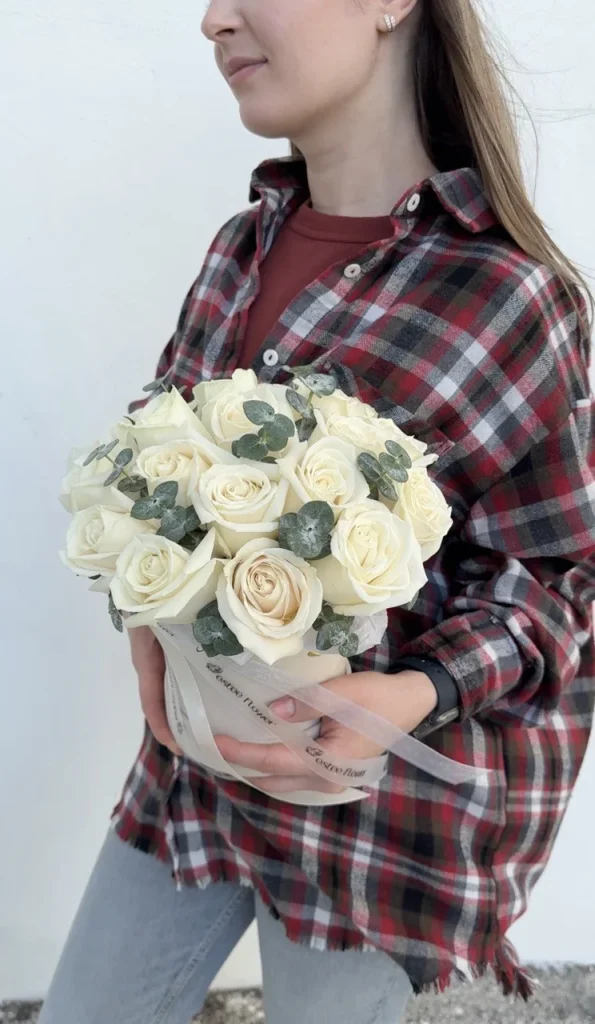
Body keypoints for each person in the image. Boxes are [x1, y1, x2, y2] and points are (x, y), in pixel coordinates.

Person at [39, 0, 595, 1021]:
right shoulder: (236, 252)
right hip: (193, 781)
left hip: (376, 833)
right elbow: (155, 481)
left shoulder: (508, 295)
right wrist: (152, 625)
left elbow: (554, 586)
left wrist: (412, 694)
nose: (212, 19)